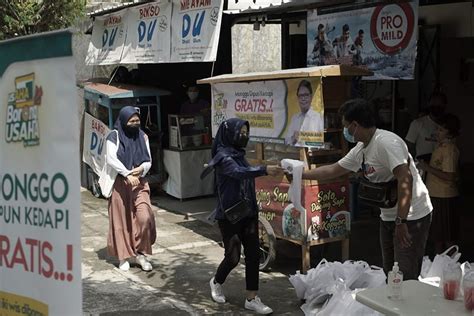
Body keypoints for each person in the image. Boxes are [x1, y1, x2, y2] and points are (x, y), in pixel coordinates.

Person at [291, 99, 432, 280]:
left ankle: (408, 306)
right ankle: (392, 305)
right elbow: (333, 169)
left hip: (412, 217)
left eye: (345, 126)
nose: (344, 131)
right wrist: (299, 174)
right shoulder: (361, 149)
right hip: (389, 216)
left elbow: (406, 179)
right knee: (391, 272)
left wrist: (401, 221)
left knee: (404, 275)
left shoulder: (386, 143)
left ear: (355, 125)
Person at [207, 118, 283, 314]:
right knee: (232, 257)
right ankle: (216, 281)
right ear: (230, 134)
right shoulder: (223, 157)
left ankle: (252, 297)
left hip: (248, 213)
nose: (244, 136)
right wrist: (264, 169)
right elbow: (239, 173)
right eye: (240, 132)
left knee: (253, 254)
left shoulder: (239, 154)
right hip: (230, 215)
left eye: (246, 132)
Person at [105, 106, 156, 272]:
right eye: (131, 121)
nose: (135, 123)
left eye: (137, 120)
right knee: (121, 221)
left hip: (139, 182)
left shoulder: (142, 136)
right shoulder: (114, 135)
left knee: (145, 217)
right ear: (123, 120)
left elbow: (148, 159)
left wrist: (141, 169)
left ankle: (141, 253)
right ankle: (124, 257)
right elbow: (111, 158)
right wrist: (127, 174)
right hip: (120, 182)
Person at [418, 114, 460, 254]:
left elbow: (450, 176)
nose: (437, 132)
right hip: (436, 194)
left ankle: (451, 266)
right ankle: (440, 264)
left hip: (445, 196)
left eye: (441, 130)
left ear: (449, 134)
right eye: (438, 129)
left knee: (447, 235)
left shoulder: (449, 150)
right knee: (438, 235)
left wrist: (428, 168)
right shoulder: (441, 147)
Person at [405, 91, 447, 163]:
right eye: (434, 103)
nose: (436, 106)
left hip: (443, 165)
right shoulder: (417, 123)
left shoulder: (448, 125)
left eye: (439, 103)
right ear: (429, 104)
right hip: (423, 164)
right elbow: (408, 147)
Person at [285, 80, 324, 146]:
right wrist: (293, 139)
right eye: (300, 95)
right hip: (296, 153)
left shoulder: (318, 117)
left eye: (306, 95)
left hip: (312, 154)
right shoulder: (295, 118)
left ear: (311, 96)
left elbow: (322, 141)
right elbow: (286, 141)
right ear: (298, 98)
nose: (303, 98)